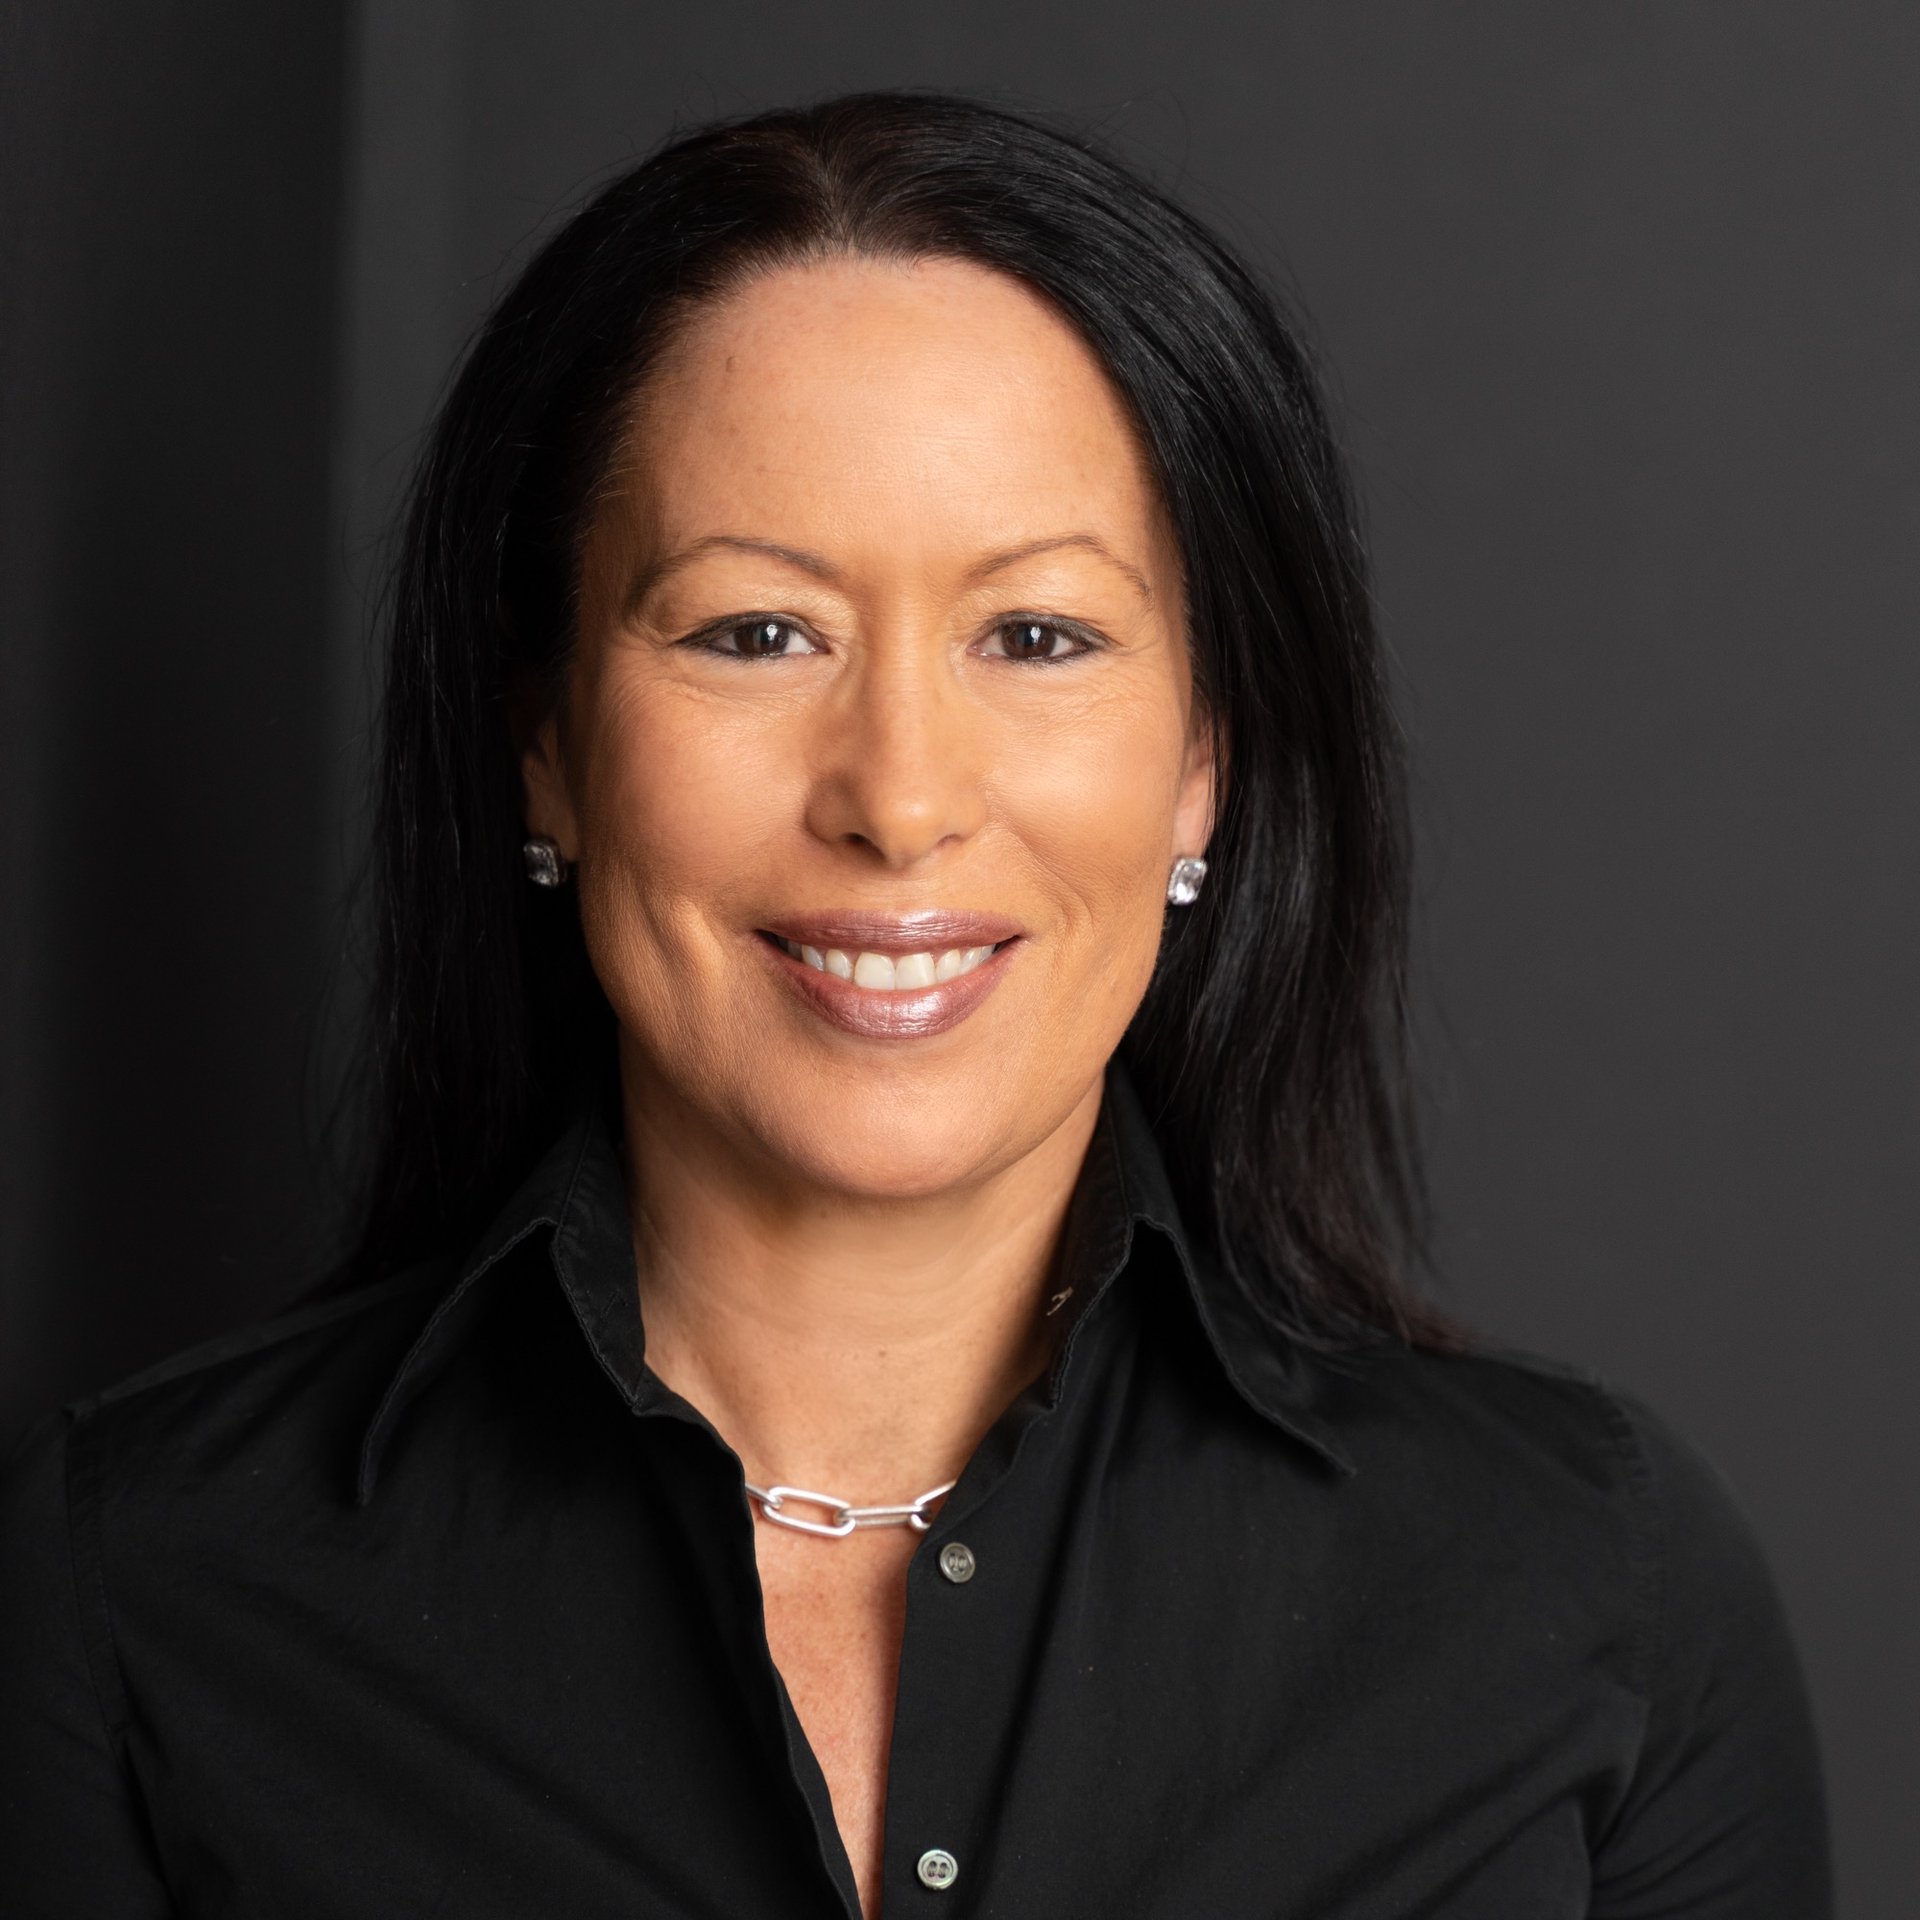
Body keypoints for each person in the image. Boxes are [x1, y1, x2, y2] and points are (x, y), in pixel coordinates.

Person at [0, 92, 1829, 1918]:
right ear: (546, 743)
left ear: (1205, 761)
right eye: (754, 634)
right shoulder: (139, 1595)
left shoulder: (1590, 1587)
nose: (898, 794)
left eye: (1037, 637)